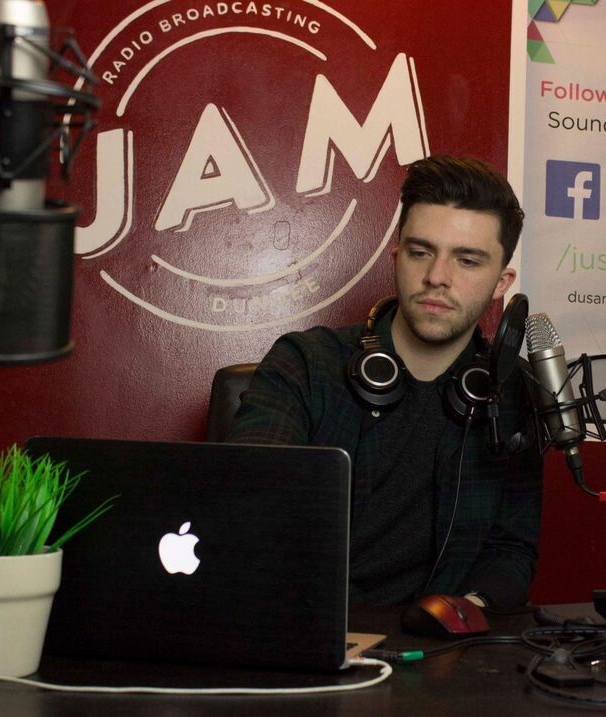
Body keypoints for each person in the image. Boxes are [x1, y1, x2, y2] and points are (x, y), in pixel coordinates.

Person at [227, 155, 543, 608]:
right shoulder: (305, 363)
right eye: (420, 252)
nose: (437, 277)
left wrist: (460, 614)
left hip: (436, 646)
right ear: (396, 258)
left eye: (468, 261)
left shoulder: (514, 393)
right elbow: (251, 503)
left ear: (501, 282)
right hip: (308, 626)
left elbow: (512, 550)